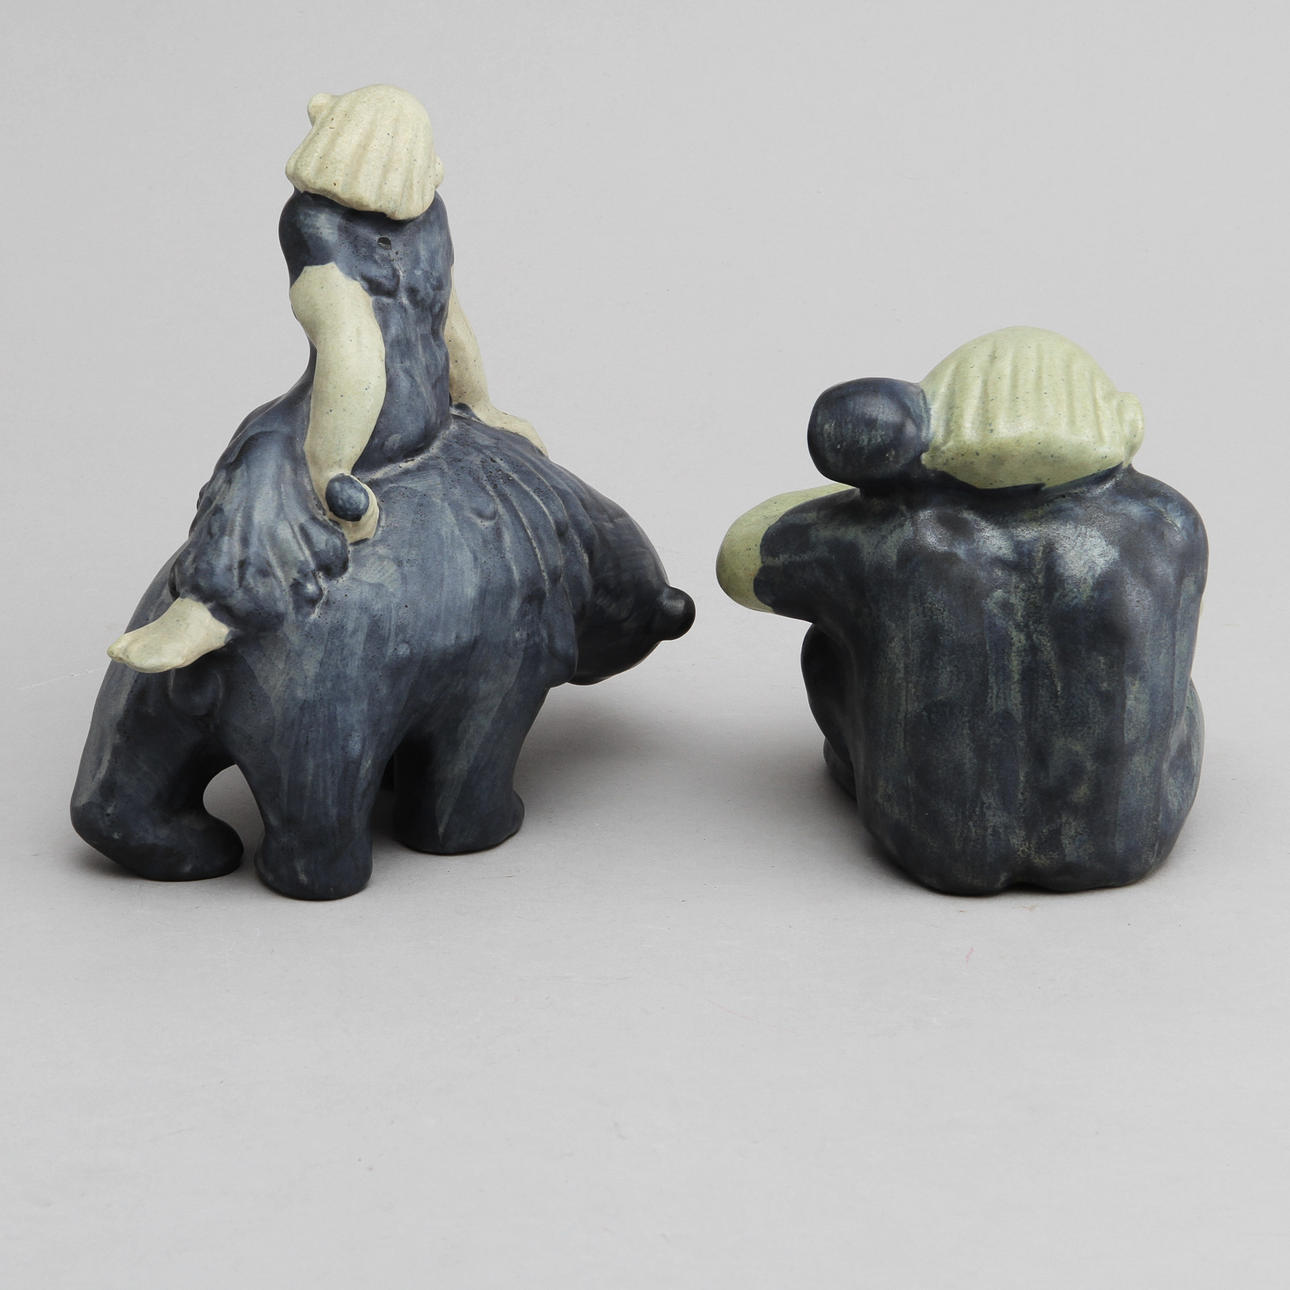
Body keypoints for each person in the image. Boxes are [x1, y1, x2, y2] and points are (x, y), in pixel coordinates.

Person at [109, 84, 542, 673]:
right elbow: (450, 322)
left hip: (368, 425)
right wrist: (479, 404)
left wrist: (330, 465)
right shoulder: (430, 214)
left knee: (261, 449)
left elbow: (352, 350)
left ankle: (208, 607)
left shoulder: (314, 223)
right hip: (431, 411)